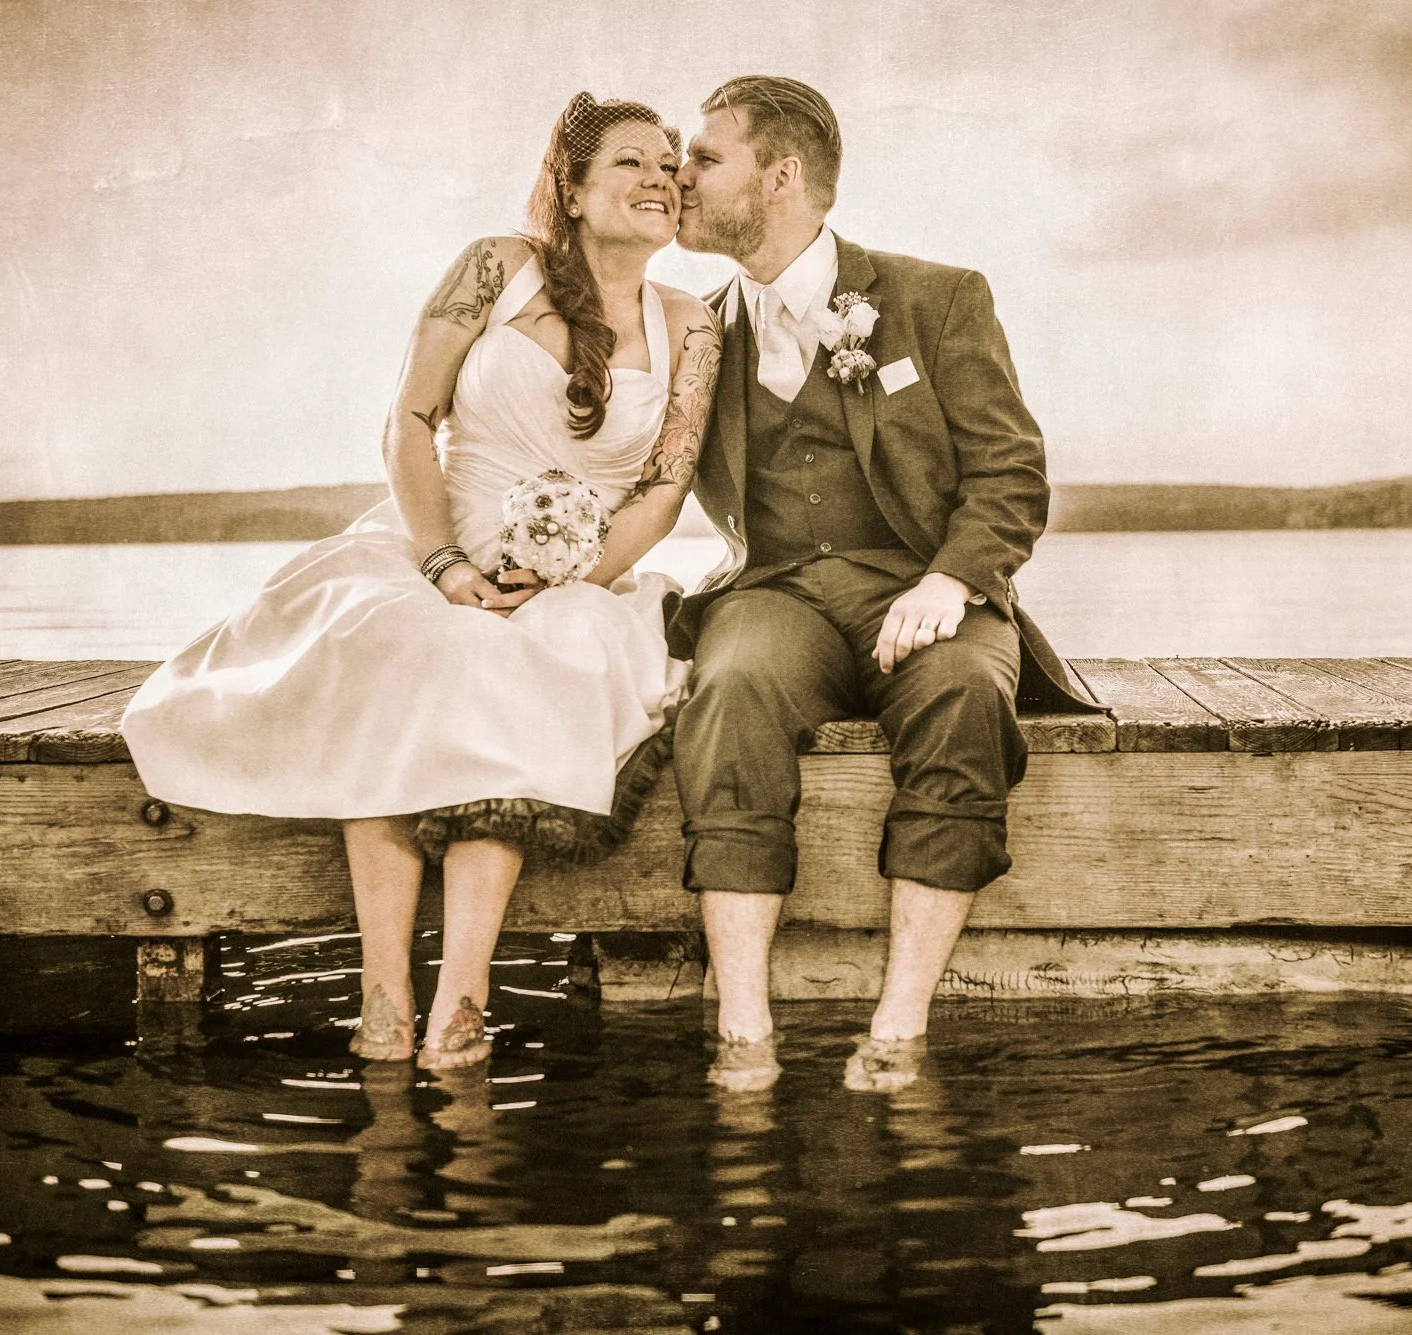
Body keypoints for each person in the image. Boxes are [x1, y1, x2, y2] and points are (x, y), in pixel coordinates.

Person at [121, 93, 721, 1071]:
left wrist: (570, 574)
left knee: (529, 663)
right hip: (429, 543)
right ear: (569, 188)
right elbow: (408, 420)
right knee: (396, 645)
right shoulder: (496, 265)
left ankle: (461, 1001)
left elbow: (660, 492)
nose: (660, 178)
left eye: (668, 163)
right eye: (628, 162)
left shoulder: (691, 325)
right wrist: (442, 562)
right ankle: (383, 995)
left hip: (574, 577)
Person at [669, 75, 1100, 1094]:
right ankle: (743, 1028)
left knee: (959, 693)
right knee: (724, 691)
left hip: (925, 589)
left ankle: (899, 1026)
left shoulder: (935, 297)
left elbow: (1009, 471)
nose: (676, 177)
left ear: (779, 177)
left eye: (702, 158)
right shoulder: (688, 328)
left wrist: (954, 579)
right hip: (775, 595)